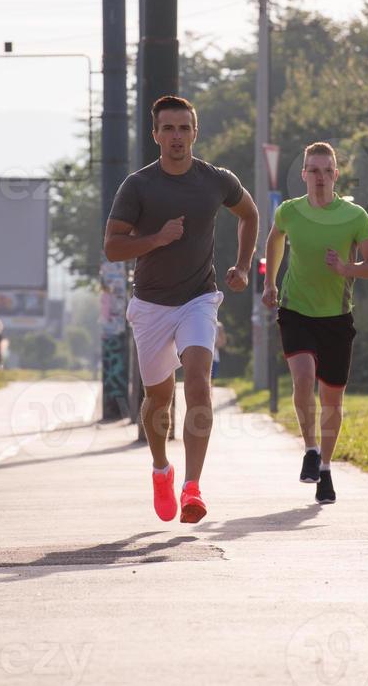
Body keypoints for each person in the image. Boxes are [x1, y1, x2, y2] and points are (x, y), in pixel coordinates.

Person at [104, 95, 259, 524]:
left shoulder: (215, 180)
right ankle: (161, 470)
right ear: (155, 135)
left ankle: (193, 486)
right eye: (168, 129)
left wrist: (244, 266)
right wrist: (155, 239)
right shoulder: (138, 186)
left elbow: (249, 214)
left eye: (184, 128)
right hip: (151, 304)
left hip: (199, 298)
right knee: (159, 399)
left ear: (195, 132)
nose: (176, 136)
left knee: (198, 384)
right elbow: (113, 246)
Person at [262, 142, 368, 505]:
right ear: (303, 175)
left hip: (336, 317)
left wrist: (346, 269)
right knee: (301, 377)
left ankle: (326, 469)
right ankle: (311, 449)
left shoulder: (354, 216)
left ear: (336, 174)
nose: (319, 177)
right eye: (312, 170)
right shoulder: (289, 212)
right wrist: (269, 283)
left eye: (326, 170)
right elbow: (274, 241)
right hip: (296, 310)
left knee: (332, 400)